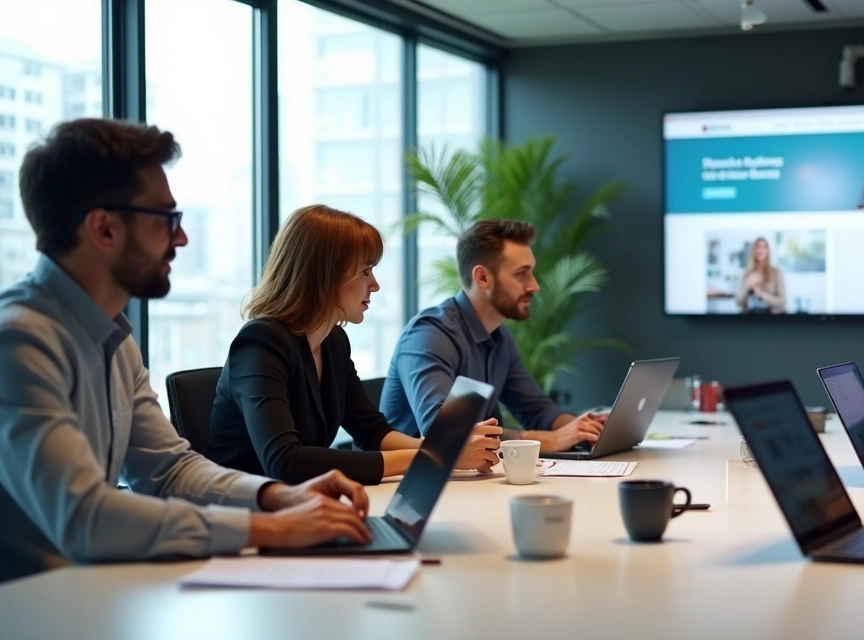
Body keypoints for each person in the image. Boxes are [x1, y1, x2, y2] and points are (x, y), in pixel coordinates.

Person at [0, 119, 375, 583]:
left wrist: (278, 497)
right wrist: (273, 528)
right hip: (30, 602)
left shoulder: (114, 340)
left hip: (84, 588)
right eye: (166, 219)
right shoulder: (20, 341)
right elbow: (84, 518)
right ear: (104, 229)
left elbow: (169, 471)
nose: (181, 238)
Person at [208, 205, 501, 486]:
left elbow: (373, 432)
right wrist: (435, 455)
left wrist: (447, 445)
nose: (375, 285)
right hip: (245, 512)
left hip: (302, 504)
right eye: (365, 271)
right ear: (324, 275)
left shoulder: (333, 341)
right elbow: (285, 462)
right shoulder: (261, 343)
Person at [381, 219, 606, 452]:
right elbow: (444, 432)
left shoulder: (500, 338)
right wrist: (550, 440)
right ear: (482, 278)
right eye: (521, 274)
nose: (534, 286)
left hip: (469, 471)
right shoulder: (429, 335)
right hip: (412, 472)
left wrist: (587, 430)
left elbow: (538, 410)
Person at [735, 237, 785, 314]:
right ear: (753, 250)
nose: (761, 250)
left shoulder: (776, 272)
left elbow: (782, 301)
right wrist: (747, 284)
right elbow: (739, 302)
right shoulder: (746, 274)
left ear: (768, 250)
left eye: (764, 247)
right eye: (757, 246)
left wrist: (761, 293)